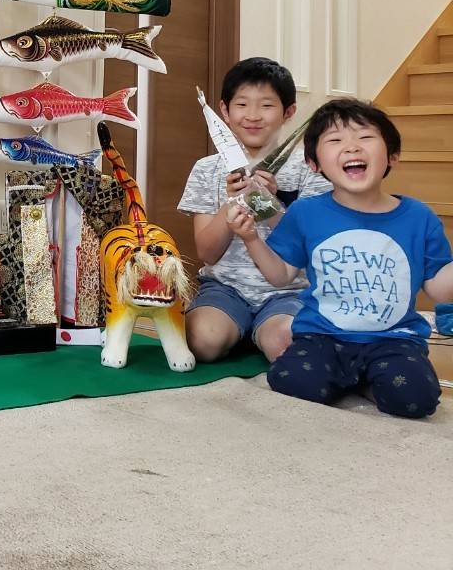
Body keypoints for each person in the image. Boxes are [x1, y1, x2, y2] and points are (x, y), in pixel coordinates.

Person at [228, 98, 453, 417]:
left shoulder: (419, 217)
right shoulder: (305, 213)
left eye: (365, 137)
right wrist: (251, 238)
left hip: (393, 340)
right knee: (291, 380)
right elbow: (280, 276)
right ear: (314, 163)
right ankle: (360, 381)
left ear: (392, 155)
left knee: (416, 398)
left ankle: (364, 380)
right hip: (323, 336)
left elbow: (440, 291)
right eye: (335, 140)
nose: (352, 147)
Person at [178, 58, 330, 362]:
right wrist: (233, 201)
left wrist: (267, 204)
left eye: (267, 105)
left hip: (288, 292)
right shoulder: (206, 169)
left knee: (286, 345)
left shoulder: (310, 168)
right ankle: (239, 330)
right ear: (225, 111)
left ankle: (260, 333)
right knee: (202, 342)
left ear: (289, 112)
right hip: (224, 289)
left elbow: (309, 248)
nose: (253, 116)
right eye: (242, 104)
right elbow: (207, 253)